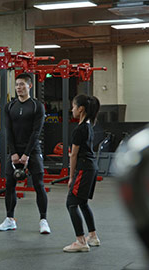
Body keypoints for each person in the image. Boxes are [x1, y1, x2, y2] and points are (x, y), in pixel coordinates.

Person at [0, 73, 51, 234]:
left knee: (39, 185)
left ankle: (43, 221)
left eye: (22, 85)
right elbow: (8, 130)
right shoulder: (9, 106)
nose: (19, 87)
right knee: (9, 185)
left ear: (30, 86)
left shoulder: (36, 106)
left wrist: (26, 154)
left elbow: (36, 132)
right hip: (14, 151)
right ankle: (9, 220)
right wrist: (13, 152)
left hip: (32, 151)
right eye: (17, 85)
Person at [63, 94, 101, 253]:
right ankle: (92, 236)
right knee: (83, 202)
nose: (72, 109)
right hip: (91, 167)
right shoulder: (88, 125)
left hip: (84, 168)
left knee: (71, 203)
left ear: (81, 109)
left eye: (73, 106)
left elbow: (73, 155)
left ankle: (80, 241)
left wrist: (71, 177)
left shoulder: (79, 129)